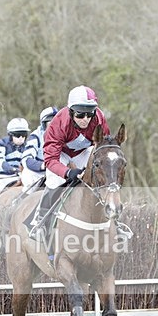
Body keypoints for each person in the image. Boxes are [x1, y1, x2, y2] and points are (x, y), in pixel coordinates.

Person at [29, 86, 111, 240]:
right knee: (54, 180)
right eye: (80, 114)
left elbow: (104, 146)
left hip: (85, 151)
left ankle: (115, 222)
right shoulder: (58, 123)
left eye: (89, 113)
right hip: (61, 154)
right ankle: (40, 221)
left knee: (104, 176)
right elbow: (50, 159)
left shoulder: (99, 118)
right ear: (71, 111)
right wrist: (67, 172)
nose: (86, 119)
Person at [19, 106, 58, 191]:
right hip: (35, 174)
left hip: (55, 173)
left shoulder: (63, 135)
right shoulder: (35, 136)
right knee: (29, 181)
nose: (54, 125)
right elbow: (26, 159)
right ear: (44, 124)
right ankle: (21, 202)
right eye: (51, 122)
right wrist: (42, 165)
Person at [0, 117, 29, 194]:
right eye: (18, 135)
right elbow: (0, 161)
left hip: (15, 176)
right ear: (10, 135)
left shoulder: (26, 147)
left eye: (24, 135)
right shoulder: (2, 144)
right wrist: (11, 169)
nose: (21, 138)